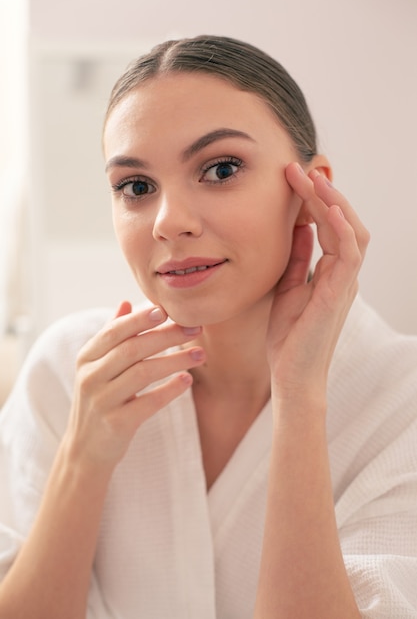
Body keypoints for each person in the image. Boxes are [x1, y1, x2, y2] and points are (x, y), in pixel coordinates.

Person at [0, 35, 416, 619]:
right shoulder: (66, 369)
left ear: (310, 191)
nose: (169, 223)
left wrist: (298, 400)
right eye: (136, 187)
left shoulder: (402, 401)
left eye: (221, 169)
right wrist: (83, 460)